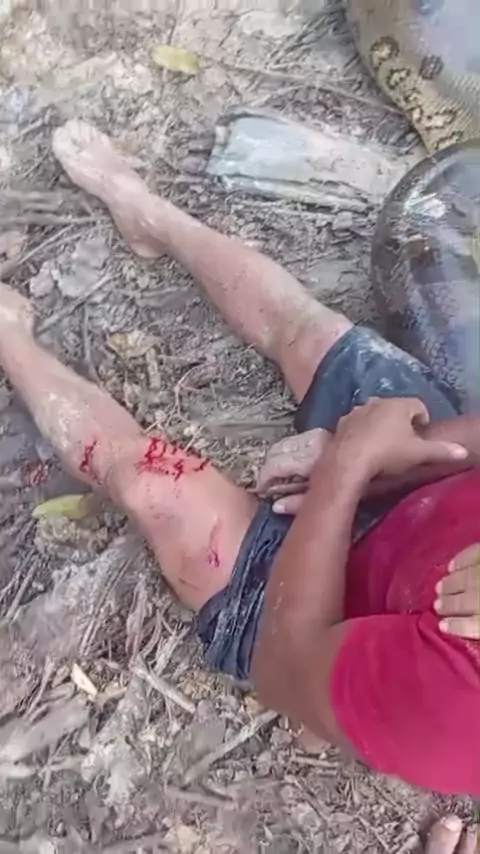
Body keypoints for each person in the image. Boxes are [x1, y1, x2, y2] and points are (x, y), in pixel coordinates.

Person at [1, 121, 479, 798]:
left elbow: (286, 670)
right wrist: (412, 456)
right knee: (309, 330)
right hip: (429, 493)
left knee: (148, 481)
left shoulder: (460, 719)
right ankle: (145, 212)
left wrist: (345, 470)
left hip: (320, 623)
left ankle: (9, 339)